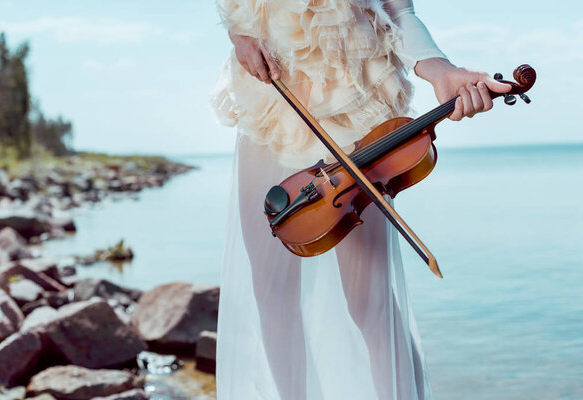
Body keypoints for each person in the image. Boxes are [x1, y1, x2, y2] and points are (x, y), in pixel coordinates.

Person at [211, 0, 511, 399]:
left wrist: (442, 70)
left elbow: (398, 10)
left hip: (356, 100)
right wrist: (239, 35)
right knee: (271, 295)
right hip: (271, 103)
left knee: (370, 305)